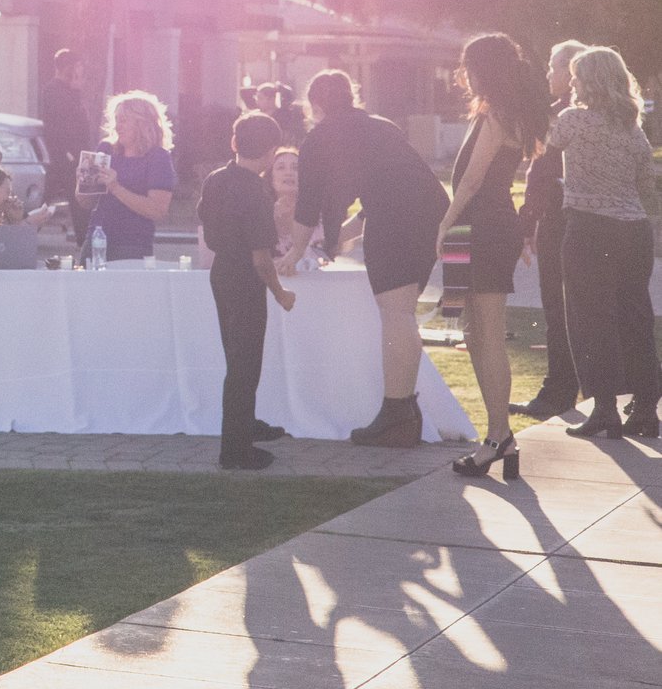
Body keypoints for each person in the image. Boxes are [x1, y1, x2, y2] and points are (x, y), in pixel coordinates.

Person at [291, 69, 451, 448]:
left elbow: (307, 206)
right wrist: (337, 239)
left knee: (397, 315)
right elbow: (391, 187)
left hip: (396, 221)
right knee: (404, 312)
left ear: (314, 105)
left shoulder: (319, 138)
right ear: (352, 96)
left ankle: (396, 414)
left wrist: (295, 253)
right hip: (434, 214)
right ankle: (406, 414)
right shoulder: (381, 126)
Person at [436, 32, 549, 479]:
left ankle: (498, 437)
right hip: (483, 227)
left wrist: (443, 225)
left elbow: (471, 182)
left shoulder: (496, 117)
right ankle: (499, 435)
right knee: (472, 329)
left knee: (485, 330)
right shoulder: (505, 113)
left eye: (469, 65)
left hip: (479, 227)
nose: (464, 75)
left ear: (485, 68)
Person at [548, 47, 660, 441]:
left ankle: (605, 410)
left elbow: (546, 145)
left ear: (589, 81)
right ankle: (646, 409)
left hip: (589, 229)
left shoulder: (572, 120)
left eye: (577, 76)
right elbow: (646, 184)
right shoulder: (633, 131)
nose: (572, 82)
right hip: (634, 230)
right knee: (636, 319)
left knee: (590, 319)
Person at [199, 112, 298, 470]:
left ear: (234, 143)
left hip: (221, 271)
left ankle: (245, 424)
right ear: (271, 151)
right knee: (245, 363)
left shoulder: (215, 179)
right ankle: (236, 449)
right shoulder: (255, 191)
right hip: (244, 276)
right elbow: (261, 258)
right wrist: (280, 292)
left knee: (234, 353)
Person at [516, 39, 594, 421]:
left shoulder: (561, 117)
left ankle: (559, 391)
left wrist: (527, 221)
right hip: (591, 220)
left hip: (559, 219)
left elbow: (541, 174)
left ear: (570, 71)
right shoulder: (601, 113)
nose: (548, 73)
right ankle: (587, 389)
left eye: (553, 66)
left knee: (557, 308)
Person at [88, 92, 176, 263]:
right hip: (96, 239)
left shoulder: (157, 157)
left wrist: (116, 187)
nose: (117, 126)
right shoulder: (106, 149)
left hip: (132, 245)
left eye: (123, 120)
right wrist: (83, 183)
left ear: (142, 123)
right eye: (116, 120)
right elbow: (85, 203)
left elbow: (158, 210)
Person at [40, 49, 89, 204]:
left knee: (79, 204)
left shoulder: (72, 90)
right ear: (69, 67)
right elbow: (62, 124)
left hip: (75, 155)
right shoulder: (53, 90)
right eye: (78, 66)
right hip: (64, 155)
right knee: (51, 200)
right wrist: (68, 152)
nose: (80, 70)